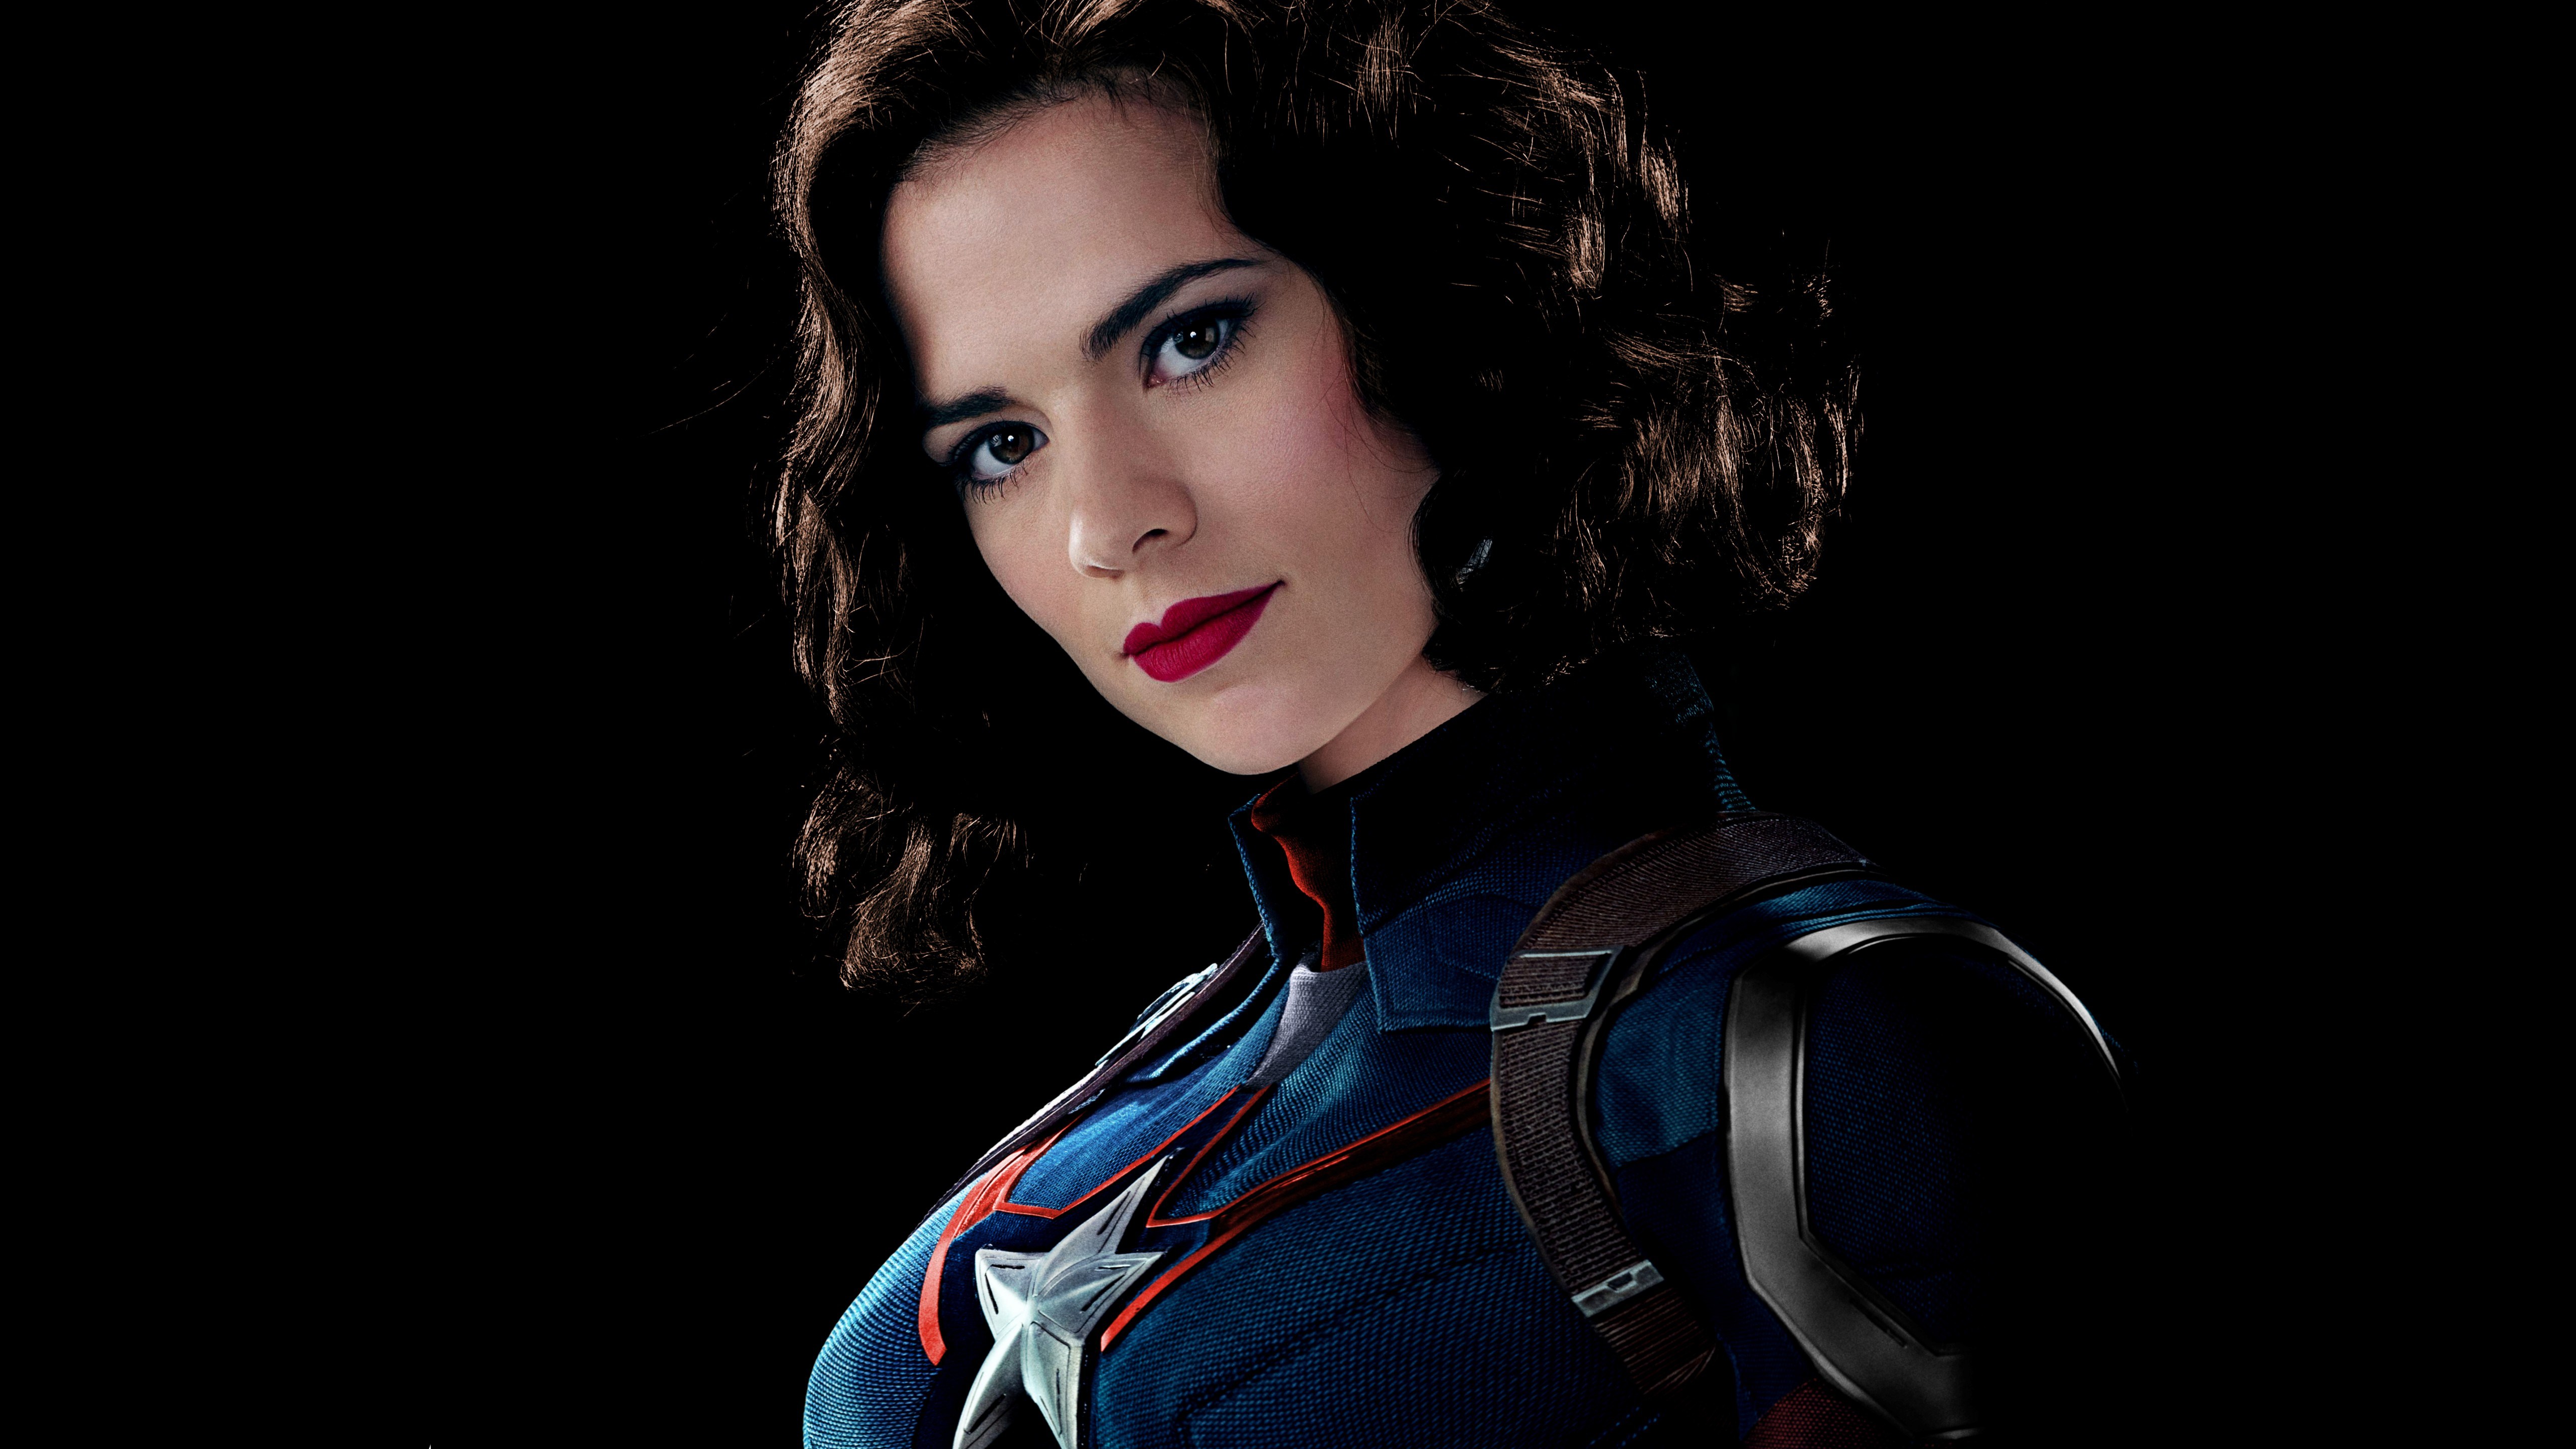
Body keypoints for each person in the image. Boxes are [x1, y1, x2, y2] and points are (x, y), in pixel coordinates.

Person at [772, 2, 2133, 1444]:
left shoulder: (1817, 1043)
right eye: (1003, 445)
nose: (1107, 523)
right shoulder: (1168, 1071)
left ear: (1446, 295)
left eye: (1192, 341)